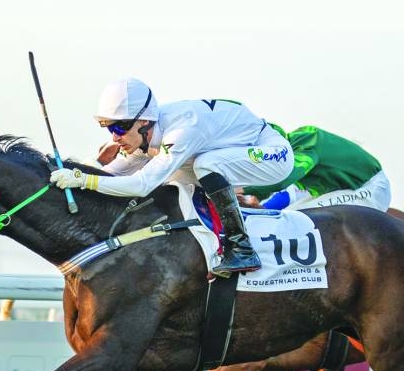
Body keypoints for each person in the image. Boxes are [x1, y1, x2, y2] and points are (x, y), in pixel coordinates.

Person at [50, 78, 294, 275]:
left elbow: (141, 185)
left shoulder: (181, 131)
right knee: (178, 177)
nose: (114, 137)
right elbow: (111, 176)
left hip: (272, 154)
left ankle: (241, 248)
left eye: (119, 128)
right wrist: (88, 168)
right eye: (109, 128)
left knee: (205, 165)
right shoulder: (146, 135)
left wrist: (84, 180)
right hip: (232, 150)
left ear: (143, 122)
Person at [240, 125, 392, 212]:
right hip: (345, 188)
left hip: (370, 187)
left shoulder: (306, 145)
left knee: (291, 220)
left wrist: (239, 189)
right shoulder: (291, 143)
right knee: (287, 216)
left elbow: (282, 181)